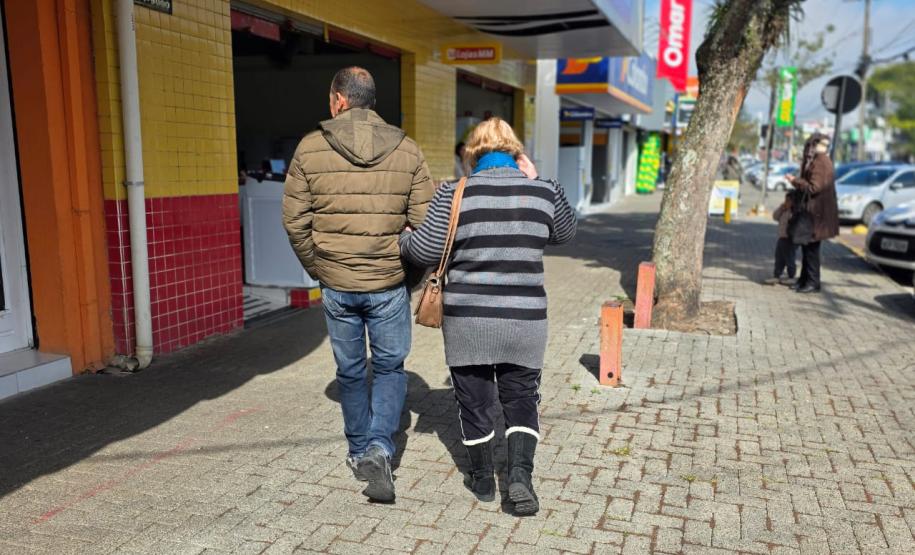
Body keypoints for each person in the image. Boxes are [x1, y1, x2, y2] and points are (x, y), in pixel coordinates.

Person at [399, 118, 577, 516]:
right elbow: (566, 232)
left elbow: (423, 251)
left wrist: (404, 238)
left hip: (469, 322)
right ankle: (520, 478)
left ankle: (481, 481)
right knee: (522, 398)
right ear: (516, 151)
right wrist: (536, 177)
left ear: (471, 153)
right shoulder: (543, 191)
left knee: (474, 402)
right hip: (526, 320)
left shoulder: (454, 193)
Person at [282, 67, 434, 502]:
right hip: (387, 284)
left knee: (350, 371)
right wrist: (407, 276)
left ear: (339, 101)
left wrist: (320, 268)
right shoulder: (407, 150)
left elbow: (295, 222)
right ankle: (380, 448)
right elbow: (424, 228)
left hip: (337, 284)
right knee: (388, 368)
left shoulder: (310, 148)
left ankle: (357, 451)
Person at [786, 133, 838, 293]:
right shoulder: (817, 160)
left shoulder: (821, 162)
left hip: (816, 215)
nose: (808, 149)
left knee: (811, 250)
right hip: (813, 213)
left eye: (810, 145)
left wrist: (795, 181)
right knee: (807, 247)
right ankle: (804, 280)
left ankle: (813, 282)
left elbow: (814, 187)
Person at [764, 193, 798, 285]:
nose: (786, 202)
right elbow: (775, 217)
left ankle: (791, 276)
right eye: (785, 200)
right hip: (781, 237)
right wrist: (781, 208)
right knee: (779, 258)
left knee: (789, 258)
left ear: (793, 202)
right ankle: (776, 275)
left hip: (789, 239)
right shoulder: (784, 210)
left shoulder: (794, 212)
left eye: (788, 201)